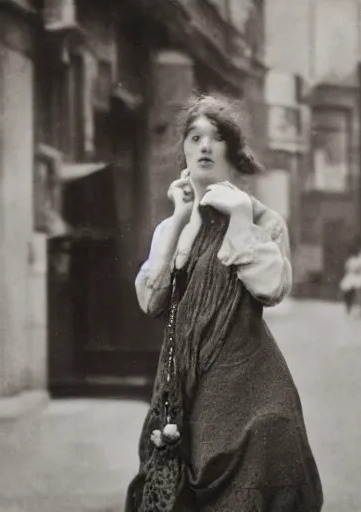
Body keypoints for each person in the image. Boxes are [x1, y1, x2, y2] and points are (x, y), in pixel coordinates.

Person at [125, 95, 322, 512]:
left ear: (233, 151)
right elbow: (150, 299)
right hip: (182, 385)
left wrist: (237, 219)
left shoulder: (262, 219)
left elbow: (272, 288)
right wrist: (179, 218)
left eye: (216, 138)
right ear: (184, 150)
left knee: (260, 471)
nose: (204, 147)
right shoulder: (172, 225)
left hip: (246, 382)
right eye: (194, 137)